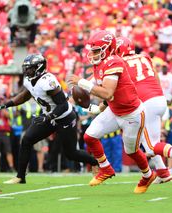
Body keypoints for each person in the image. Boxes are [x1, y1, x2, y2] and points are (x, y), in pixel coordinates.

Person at [68, 30, 156, 194]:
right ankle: (106, 168)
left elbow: (108, 93)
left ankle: (148, 175)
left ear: (108, 49)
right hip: (115, 110)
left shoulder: (114, 62)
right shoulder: (101, 63)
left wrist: (80, 82)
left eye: (96, 50)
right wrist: (73, 93)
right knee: (89, 136)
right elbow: (94, 83)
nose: (92, 54)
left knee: (132, 151)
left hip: (131, 114)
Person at [0, 54, 98, 184]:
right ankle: (20, 176)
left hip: (64, 117)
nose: (26, 71)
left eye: (29, 68)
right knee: (27, 139)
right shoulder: (29, 80)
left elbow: (63, 105)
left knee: (71, 153)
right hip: (49, 116)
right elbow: (24, 95)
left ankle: (95, 162)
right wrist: (7, 104)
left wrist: (48, 117)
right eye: (26, 68)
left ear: (39, 68)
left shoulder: (48, 81)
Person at [115, 37, 172, 182]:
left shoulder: (120, 63)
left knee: (152, 145)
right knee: (150, 142)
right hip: (159, 97)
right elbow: (155, 76)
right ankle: (162, 172)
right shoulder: (144, 56)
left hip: (146, 102)